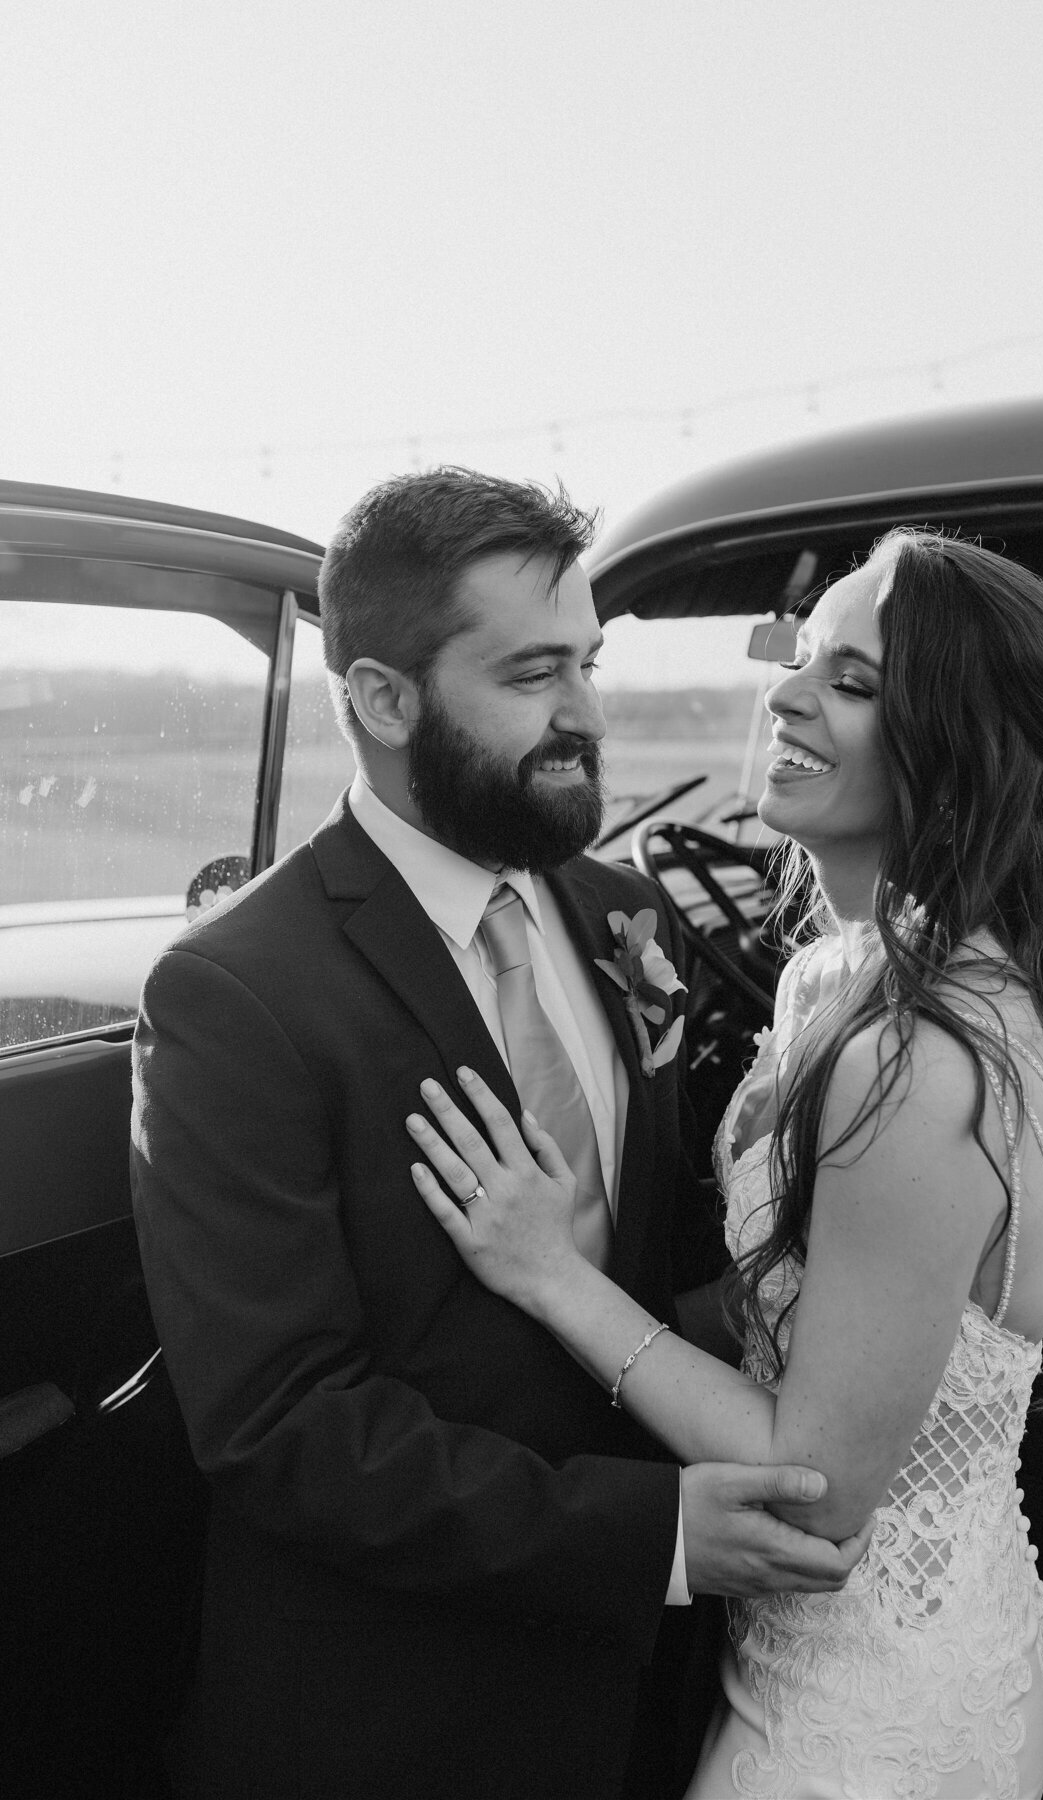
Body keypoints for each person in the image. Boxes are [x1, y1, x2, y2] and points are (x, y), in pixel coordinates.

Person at [130, 468, 872, 1800]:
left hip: (649, 1689)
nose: (585, 716)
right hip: (395, 1716)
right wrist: (657, 1535)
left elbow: (661, 1258)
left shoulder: (623, 911)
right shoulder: (236, 995)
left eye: (587, 663)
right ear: (382, 699)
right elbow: (281, 1423)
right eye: (533, 676)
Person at [409, 528, 1043, 1800]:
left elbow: (817, 1496)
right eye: (802, 658)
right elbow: (796, 1299)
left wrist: (551, 1277)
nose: (787, 694)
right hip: (814, 1650)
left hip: (867, 1720)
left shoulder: (912, 1060)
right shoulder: (831, 977)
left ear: (952, 748)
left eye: (852, 682)